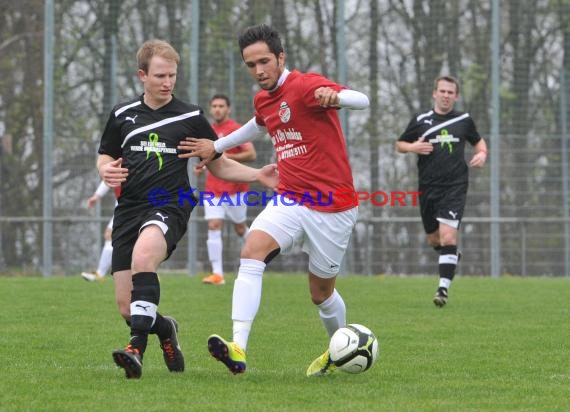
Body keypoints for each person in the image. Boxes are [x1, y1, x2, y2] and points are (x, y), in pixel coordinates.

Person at [177, 24, 369, 377]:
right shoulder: (263, 99)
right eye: (250, 65)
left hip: (334, 206)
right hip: (290, 199)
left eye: (264, 61)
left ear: (281, 57)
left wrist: (337, 96)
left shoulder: (307, 85)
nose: (258, 71)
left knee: (321, 293)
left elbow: (363, 100)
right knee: (251, 249)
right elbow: (257, 124)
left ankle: (335, 350)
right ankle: (238, 347)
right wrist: (216, 146)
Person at [97, 39, 278, 379]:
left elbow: (218, 164)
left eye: (173, 76)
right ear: (142, 75)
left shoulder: (190, 116)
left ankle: (135, 348)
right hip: (128, 209)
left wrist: (257, 175)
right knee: (127, 306)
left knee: (143, 258)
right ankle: (165, 329)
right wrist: (104, 169)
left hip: (170, 204)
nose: (168, 82)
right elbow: (105, 154)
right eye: (160, 75)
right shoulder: (122, 115)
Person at [395, 75, 487, 307]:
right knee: (434, 239)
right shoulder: (421, 120)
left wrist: (482, 154)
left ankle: (442, 289)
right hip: (428, 188)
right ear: (434, 93)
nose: (446, 95)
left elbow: (479, 142)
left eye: (450, 92)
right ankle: (451, 256)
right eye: (442, 91)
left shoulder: (464, 120)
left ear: (456, 96)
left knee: (448, 236)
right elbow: (400, 144)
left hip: (455, 186)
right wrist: (413, 147)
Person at [196, 94, 257, 286]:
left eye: (221, 106)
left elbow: (251, 154)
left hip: (235, 188)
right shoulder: (208, 131)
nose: (217, 109)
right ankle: (217, 274)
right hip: (213, 189)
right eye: (214, 106)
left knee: (240, 228)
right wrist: (203, 166)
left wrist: (223, 156)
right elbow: (208, 157)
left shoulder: (236, 129)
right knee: (214, 225)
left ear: (228, 109)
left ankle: (262, 253)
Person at [81, 180, 120, 282]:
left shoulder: (123, 165)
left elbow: (109, 177)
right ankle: (147, 273)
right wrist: (96, 196)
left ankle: (100, 274)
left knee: (111, 235)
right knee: (111, 235)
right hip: (124, 206)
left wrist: (96, 196)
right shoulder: (117, 166)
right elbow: (109, 178)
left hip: (130, 207)